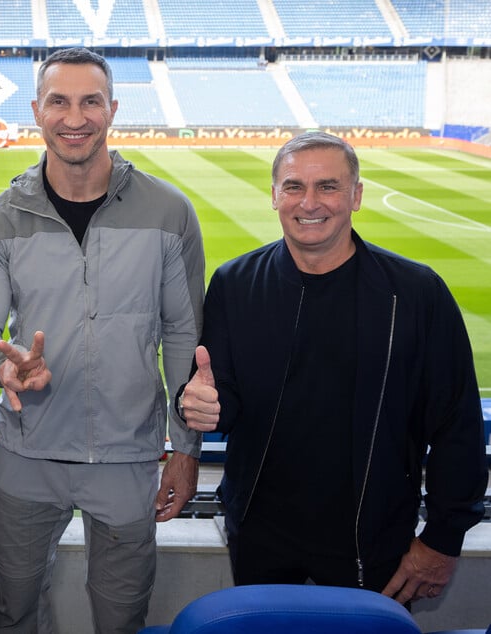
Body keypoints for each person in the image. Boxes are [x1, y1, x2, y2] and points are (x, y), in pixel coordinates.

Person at [179, 130, 488, 604]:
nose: (310, 203)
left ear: (357, 195)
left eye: (328, 186)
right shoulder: (234, 284)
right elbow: (224, 400)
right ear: (275, 195)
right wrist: (199, 405)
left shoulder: (417, 293)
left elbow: (456, 426)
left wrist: (443, 539)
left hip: (373, 541)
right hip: (262, 538)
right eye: (294, 186)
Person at [0, 48, 206, 633]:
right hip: (25, 456)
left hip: (129, 459)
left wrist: (187, 448)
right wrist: (3, 369)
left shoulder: (169, 212)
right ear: (37, 111)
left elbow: (183, 335)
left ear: (112, 109)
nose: (75, 117)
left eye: (90, 100)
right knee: (15, 611)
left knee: (122, 618)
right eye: (59, 101)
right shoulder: (0, 220)